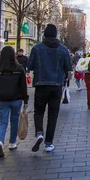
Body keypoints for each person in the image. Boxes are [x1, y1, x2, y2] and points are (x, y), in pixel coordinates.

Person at [28, 24, 71, 153]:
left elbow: (29, 65)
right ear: (56, 34)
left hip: (41, 85)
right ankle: (48, 143)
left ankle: (39, 133)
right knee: (53, 115)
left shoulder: (36, 48)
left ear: (44, 34)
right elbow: (68, 67)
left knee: (39, 111)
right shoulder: (63, 50)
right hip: (56, 86)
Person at [0, 46, 29, 157]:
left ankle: (0, 142)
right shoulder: (19, 68)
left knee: (2, 122)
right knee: (14, 120)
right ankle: (12, 142)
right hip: (16, 99)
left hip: (2, 99)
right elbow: (23, 86)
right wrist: (25, 99)